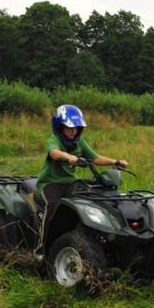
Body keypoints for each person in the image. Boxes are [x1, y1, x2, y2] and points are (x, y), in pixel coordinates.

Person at [36, 104, 128, 243]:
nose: (74, 131)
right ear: (60, 127)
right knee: (53, 206)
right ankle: (42, 245)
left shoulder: (79, 142)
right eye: (70, 128)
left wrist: (115, 161)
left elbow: (95, 158)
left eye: (77, 128)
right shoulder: (55, 139)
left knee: (91, 199)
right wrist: (67, 156)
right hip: (50, 183)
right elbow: (53, 152)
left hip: (70, 182)